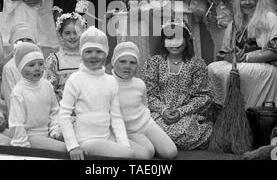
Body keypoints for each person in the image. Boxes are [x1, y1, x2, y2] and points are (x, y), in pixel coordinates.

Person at [59, 26, 148, 160]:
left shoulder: (110, 81)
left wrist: (123, 143)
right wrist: (73, 146)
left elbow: (116, 117)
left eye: (99, 51)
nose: (94, 56)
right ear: (81, 53)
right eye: (88, 51)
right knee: (129, 155)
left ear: (106, 54)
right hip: (87, 140)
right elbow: (64, 115)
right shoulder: (75, 80)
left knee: (144, 154)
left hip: (107, 136)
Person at [207, 0, 277, 109]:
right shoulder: (235, 22)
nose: (247, 2)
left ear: (259, 0)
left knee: (235, 72)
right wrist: (229, 57)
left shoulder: (270, 18)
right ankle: (221, 111)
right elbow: (223, 53)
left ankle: (242, 111)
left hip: (267, 65)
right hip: (240, 64)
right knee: (212, 68)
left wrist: (246, 58)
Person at [140, 20, 217, 150]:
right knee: (153, 129)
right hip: (159, 112)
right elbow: (148, 94)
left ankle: (162, 145)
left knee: (185, 132)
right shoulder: (154, 63)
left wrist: (181, 112)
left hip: (187, 114)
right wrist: (163, 110)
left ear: (187, 40)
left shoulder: (196, 64)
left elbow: (204, 96)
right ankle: (162, 143)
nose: (174, 43)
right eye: (169, 39)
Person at [112, 41, 177, 159]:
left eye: (132, 62)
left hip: (146, 124)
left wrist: (149, 125)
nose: (127, 66)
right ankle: (143, 144)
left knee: (171, 152)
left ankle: (151, 143)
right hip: (129, 130)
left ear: (137, 65)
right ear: (114, 62)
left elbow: (145, 105)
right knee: (148, 152)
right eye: (122, 61)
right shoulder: (108, 84)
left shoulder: (139, 84)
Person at [8, 42, 67, 151]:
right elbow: (17, 124)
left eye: (40, 64)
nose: (37, 68)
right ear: (21, 68)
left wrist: (55, 131)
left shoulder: (47, 85)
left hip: (48, 134)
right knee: (66, 150)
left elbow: (54, 111)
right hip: (30, 137)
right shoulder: (18, 92)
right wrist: (23, 148)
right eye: (31, 65)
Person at [44, 12, 87, 101]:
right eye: (67, 33)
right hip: (62, 109)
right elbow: (49, 90)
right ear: (60, 35)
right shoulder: (54, 61)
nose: (72, 37)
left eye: (76, 32)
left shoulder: (88, 58)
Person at [1, 22, 37, 111]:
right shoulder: (9, 68)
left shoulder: (40, 63)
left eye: (28, 40)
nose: (25, 43)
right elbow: (10, 97)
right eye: (20, 40)